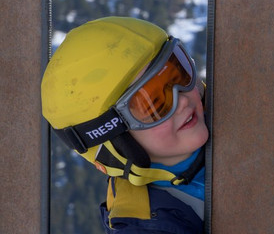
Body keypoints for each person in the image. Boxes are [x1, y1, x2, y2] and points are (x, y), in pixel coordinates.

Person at [41, 16, 208, 233]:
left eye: (178, 73)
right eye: (155, 105)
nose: (183, 100)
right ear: (119, 142)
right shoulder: (149, 227)